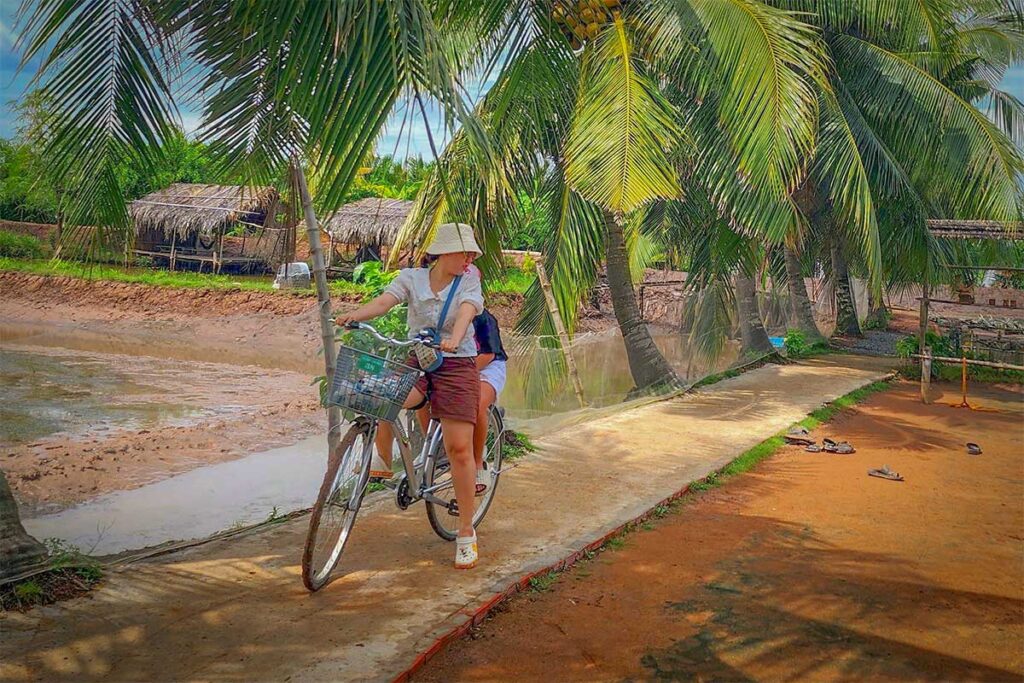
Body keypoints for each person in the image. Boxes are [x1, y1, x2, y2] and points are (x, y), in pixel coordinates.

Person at [335, 223, 484, 569]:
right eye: (464, 252)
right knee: (383, 395)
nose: (469, 258)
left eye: (471, 254)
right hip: (418, 357)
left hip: (457, 364)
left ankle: (465, 530)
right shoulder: (411, 278)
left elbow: (467, 311)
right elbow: (386, 301)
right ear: (444, 252)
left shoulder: (469, 280)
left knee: (458, 448)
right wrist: (354, 315)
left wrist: (455, 337)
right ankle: (383, 460)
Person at [466, 265, 507, 496]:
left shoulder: (484, 318)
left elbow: (488, 354)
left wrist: (464, 371)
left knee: (477, 403)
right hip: (459, 366)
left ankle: (478, 460)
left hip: (488, 367)